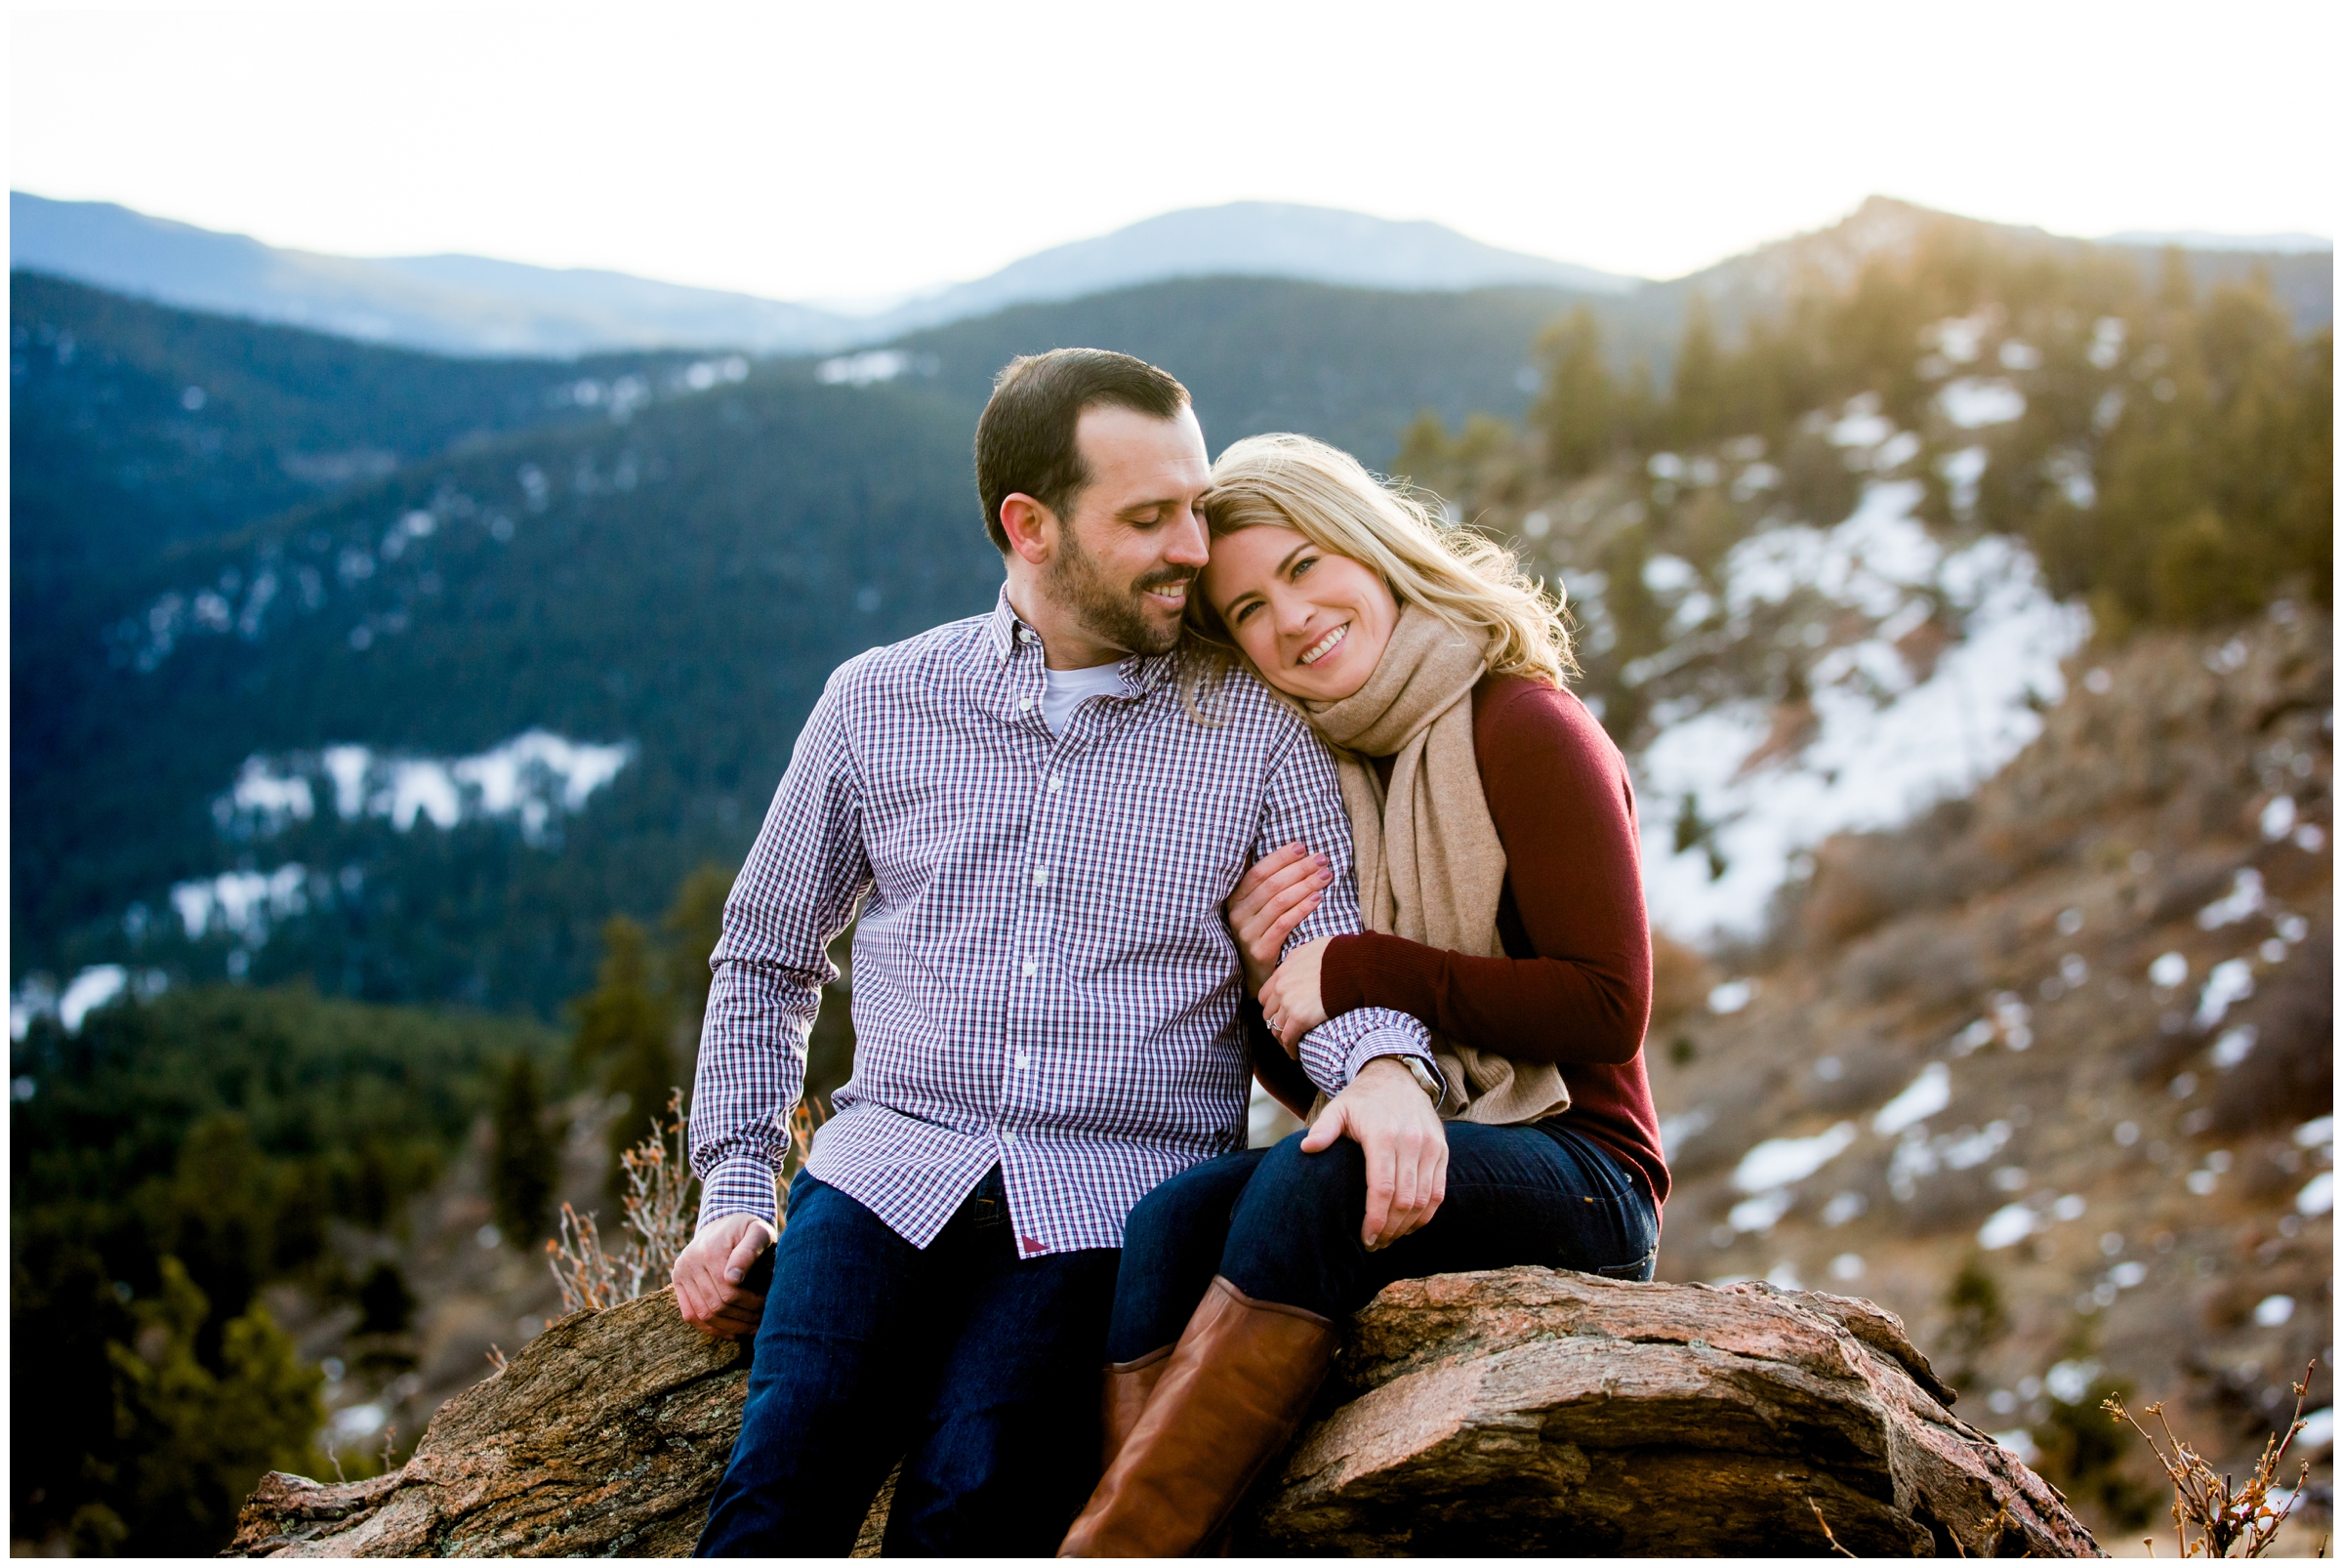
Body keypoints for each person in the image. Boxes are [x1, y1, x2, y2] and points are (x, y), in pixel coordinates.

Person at [673, 352, 1448, 1556]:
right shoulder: (878, 703)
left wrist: (1386, 1069)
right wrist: (732, 1187)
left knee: (973, 1503)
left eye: (1194, 504)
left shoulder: (1253, 731)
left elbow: (1320, 942)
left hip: (1105, 1203)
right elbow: (766, 954)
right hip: (885, 1171)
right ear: (1028, 527)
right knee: (776, 1496)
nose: (1194, 546)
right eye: (1150, 518)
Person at [1059, 433, 1668, 1556]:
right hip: (1441, 1139)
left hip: (1586, 1170)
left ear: (1373, 548)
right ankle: (1152, 1525)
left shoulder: (1523, 725)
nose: (1288, 620)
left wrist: (1352, 967)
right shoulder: (1331, 773)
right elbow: (1318, 1081)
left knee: (1320, 1185)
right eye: (1245, 611)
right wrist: (1264, 985)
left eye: (1303, 569)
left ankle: (1117, 1551)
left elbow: (1605, 1007)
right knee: (1172, 1218)